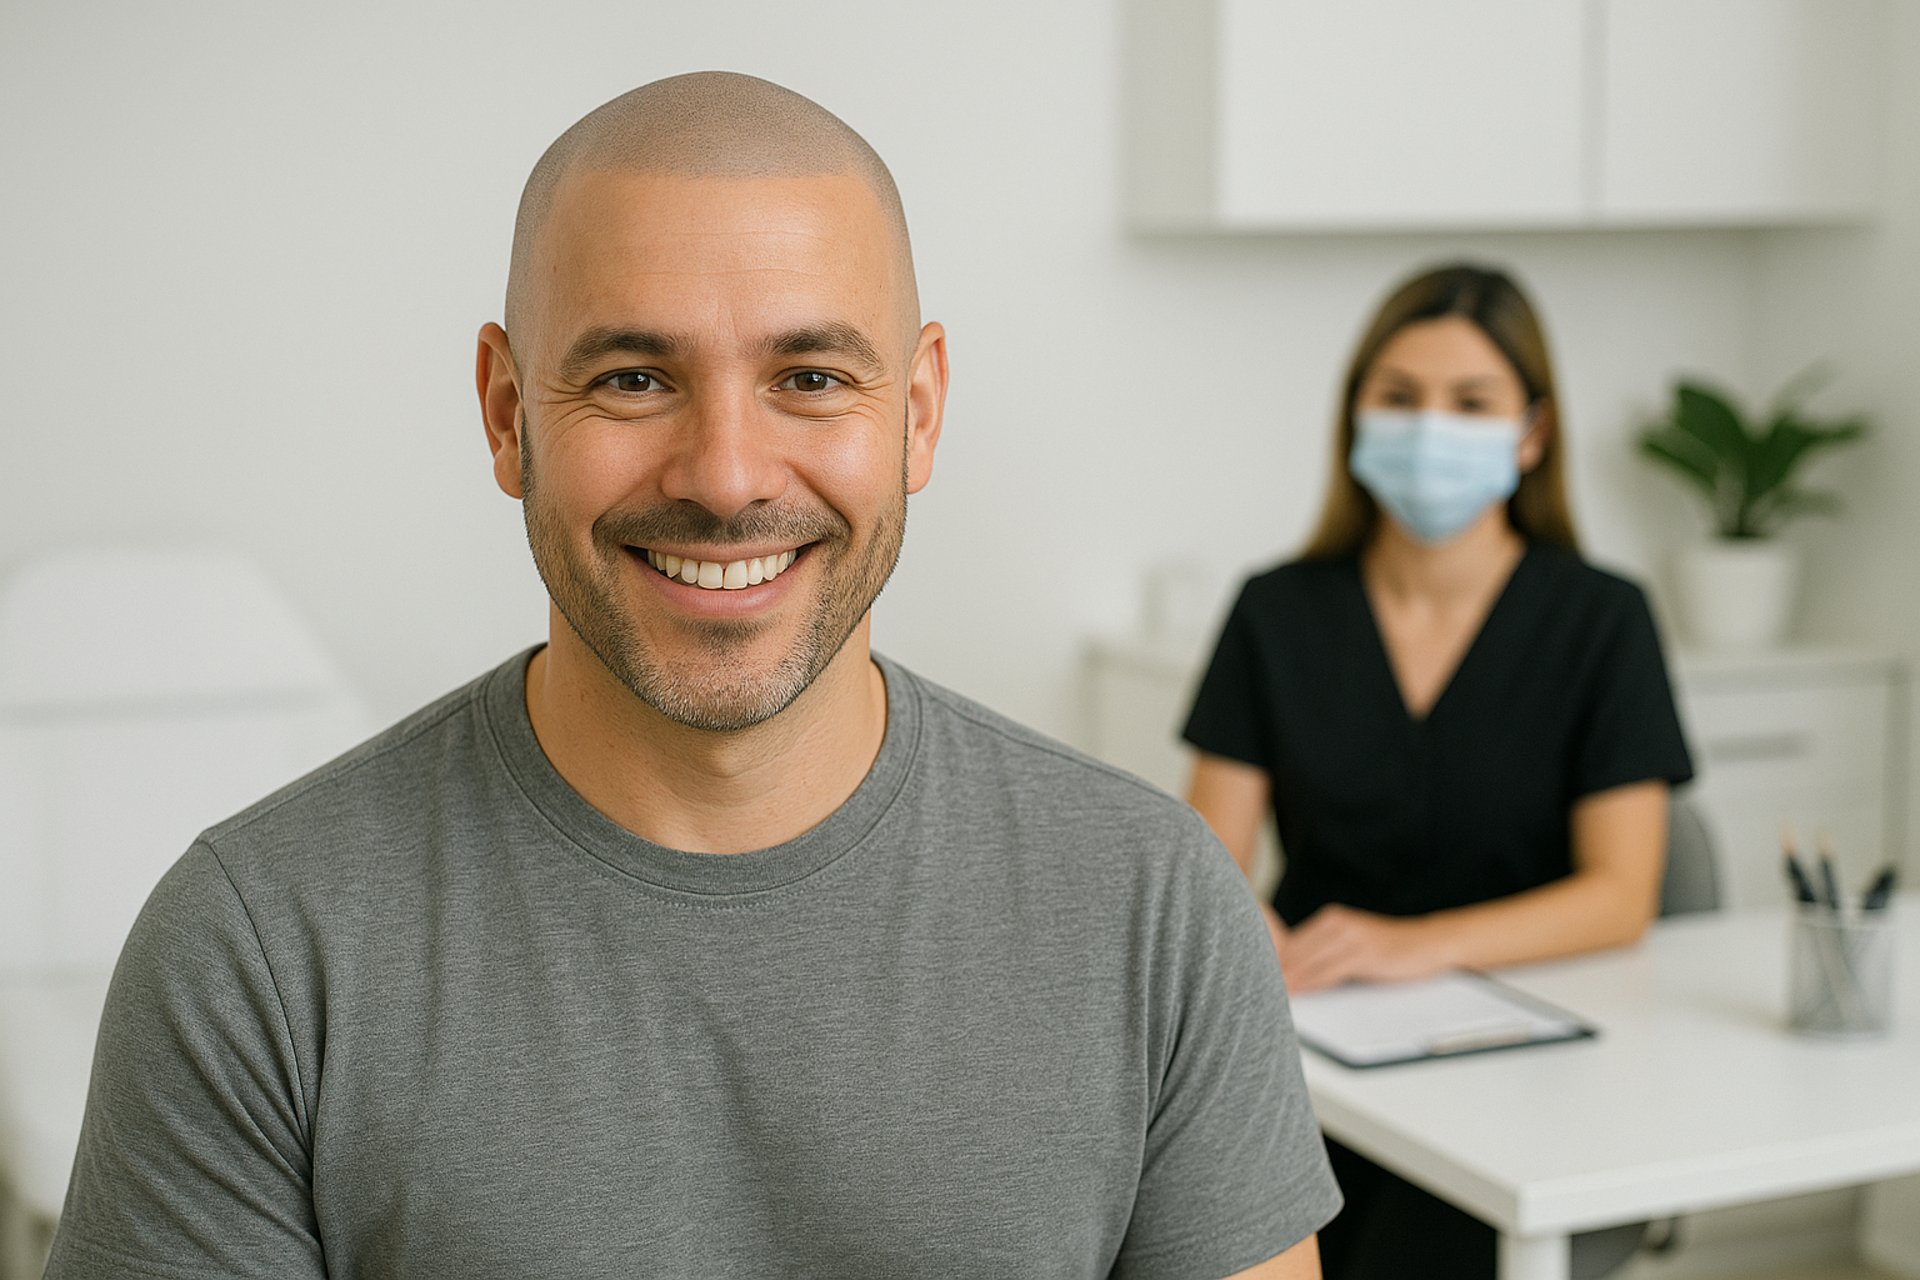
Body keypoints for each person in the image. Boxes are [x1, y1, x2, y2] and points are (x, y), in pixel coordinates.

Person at [47, 73, 1340, 1279]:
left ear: (920, 413)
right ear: (507, 416)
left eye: (812, 377)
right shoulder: (258, 949)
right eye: (633, 378)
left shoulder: (1155, 906)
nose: (726, 476)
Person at [1181, 263, 1694, 1280]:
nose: (1430, 428)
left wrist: (1414, 946)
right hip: (1314, 1051)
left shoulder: (1603, 619)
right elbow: (1209, 855)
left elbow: (1621, 894)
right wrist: (1255, 931)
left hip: (1533, 1067)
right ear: (1356, 418)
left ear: (1533, 433)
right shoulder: (1276, 610)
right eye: (1401, 396)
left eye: (1471, 403)